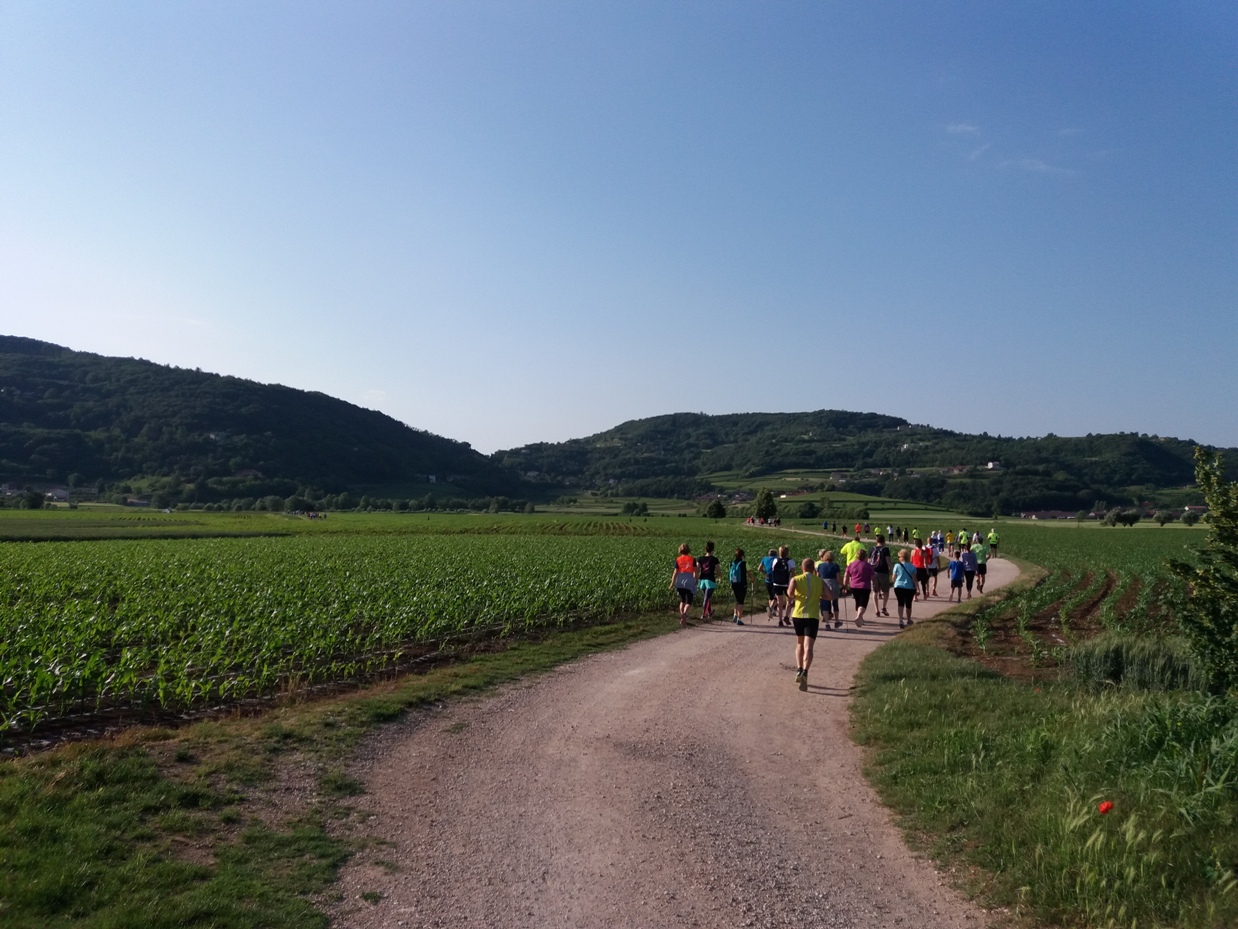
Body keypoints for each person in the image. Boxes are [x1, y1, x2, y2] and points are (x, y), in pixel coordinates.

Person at [788, 558, 825, 690]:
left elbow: (790, 594)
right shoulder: (819, 581)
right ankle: (805, 671)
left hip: (798, 615)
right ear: (813, 568)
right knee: (808, 647)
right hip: (812, 616)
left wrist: (797, 596)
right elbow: (830, 595)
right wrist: (819, 596)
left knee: (799, 643)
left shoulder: (796, 579)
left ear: (802, 568)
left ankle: (799, 669)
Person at [669, 543, 699, 626]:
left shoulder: (678, 560)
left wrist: (672, 583)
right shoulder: (692, 559)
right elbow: (696, 571)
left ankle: (682, 613)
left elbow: (675, 572)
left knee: (682, 599)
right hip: (689, 579)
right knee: (689, 600)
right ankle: (684, 613)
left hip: (680, 580)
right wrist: (696, 579)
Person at [844, 546, 874, 627]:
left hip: (854, 586)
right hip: (865, 586)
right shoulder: (868, 565)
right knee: (863, 603)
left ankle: (861, 618)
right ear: (865, 556)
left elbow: (846, 575)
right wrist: (875, 584)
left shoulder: (852, 564)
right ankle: (858, 616)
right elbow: (873, 577)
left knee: (858, 602)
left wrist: (845, 585)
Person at [816, 549, 842, 629]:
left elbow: (817, 577)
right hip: (834, 585)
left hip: (824, 585)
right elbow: (838, 579)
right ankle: (836, 621)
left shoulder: (820, 566)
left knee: (825, 605)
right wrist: (843, 585)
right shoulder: (836, 566)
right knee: (835, 604)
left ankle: (827, 623)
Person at [892, 548, 917, 628]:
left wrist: (895, 581)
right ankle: (909, 619)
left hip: (898, 586)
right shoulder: (912, 567)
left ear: (901, 557)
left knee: (900, 603)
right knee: (908, 604)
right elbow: (914, 579)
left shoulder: (897, 565)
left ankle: (900, 620)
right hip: (909, 587)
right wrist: (917, 587)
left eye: (899, 557)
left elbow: (893, 577)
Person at [769, 545, 793, 626]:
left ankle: (780, 620)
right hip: (787, 583)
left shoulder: (775, 560)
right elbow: (793, 574)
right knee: (789, 601)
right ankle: (786, 616)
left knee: (779, 602)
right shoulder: (790, 561)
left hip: (777, 583)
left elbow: (773, 570)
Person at [869, 534, 892, 617]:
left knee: (875, 591)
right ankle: (884, 607)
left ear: (877, 541)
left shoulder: (872, 549)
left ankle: (876, 609)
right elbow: (888, 560)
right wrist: (892, 569)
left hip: (873, 572)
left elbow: (869, 561)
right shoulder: (885, 549)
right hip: (883, 572)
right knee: (886, 591)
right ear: (884, 541)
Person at [696, 541, 720, 620]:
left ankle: (710, 612)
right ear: (713, 549)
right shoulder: (714, 559)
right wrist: (720, 576)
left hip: (702, 580)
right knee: (706, 598)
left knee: (707, 597)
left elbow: (697, 569)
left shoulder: (700, 559)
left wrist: (696, 578)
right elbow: (718, 570)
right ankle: (704, 614)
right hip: (710, 580)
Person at [728, 548, 747, 625]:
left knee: (737, 600)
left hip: (734, 584)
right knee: (741, 601)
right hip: (742, 584)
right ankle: (739, 618)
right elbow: (749, 573)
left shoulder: (732, 563)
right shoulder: (744, 563)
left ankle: (735, 615)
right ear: (742, 556)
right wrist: (752, 579)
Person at [759, 548, 778, 618]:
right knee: (776, 596)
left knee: (771, 596)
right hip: (775, 580)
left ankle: (772, 611)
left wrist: (765, 573)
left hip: (767, 580)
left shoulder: (764, 559)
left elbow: (759, 568)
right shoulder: (776, 559)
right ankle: (771, 608)